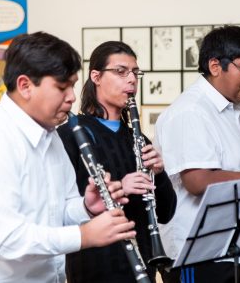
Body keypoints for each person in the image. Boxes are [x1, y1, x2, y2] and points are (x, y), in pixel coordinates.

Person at [0, 32, 135, 282]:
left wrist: (87, 207)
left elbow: (59, 210)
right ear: (25, 86)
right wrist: (84, 236)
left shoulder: (51, 135)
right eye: (61, 86)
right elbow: (6, 240)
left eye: (73, 85)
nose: (72, 97)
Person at [154, 25, 240, 283]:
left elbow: (233, 170)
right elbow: (197, 181)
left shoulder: (232, 112)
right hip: (197, 254)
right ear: (215, 65)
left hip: (230, 247)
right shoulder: (191, 112)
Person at [57, 40, 176, 283]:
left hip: (143, 266)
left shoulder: (138, 138)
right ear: (96, 76)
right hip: (94, 269)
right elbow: (62, 210)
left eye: (135, 72)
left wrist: (159, 173)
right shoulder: (72, 133)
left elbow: (166, 213)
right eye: (121, 72)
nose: (132, 79)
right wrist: (122, 186)